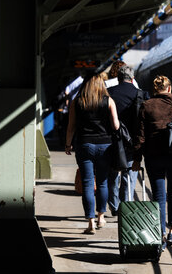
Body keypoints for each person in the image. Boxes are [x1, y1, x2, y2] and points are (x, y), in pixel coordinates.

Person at [132, 75, 172, 249]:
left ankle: (160, 234)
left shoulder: (146, 106)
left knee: (158, 196)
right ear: (169, 88)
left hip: (153, 156)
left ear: (155, 90)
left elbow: (140, 136)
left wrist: (136, 159)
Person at [65, 73, 119, 234]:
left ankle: (90, 223)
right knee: (102, 182)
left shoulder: (77, 102)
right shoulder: (108, 101)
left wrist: (68, 144)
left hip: (84, 144)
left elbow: (71, 126)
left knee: (88, 184)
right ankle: (101, 217)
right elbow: (116, 125)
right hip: (105, 145)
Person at [107, 64, 149, 216]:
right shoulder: (140, 94)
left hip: (112, 141)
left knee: (111, 176)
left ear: (118, 78)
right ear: (132, 79)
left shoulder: (109, 93)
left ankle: (114, 205)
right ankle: (126, 208)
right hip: (133, 141)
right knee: (128, 177)